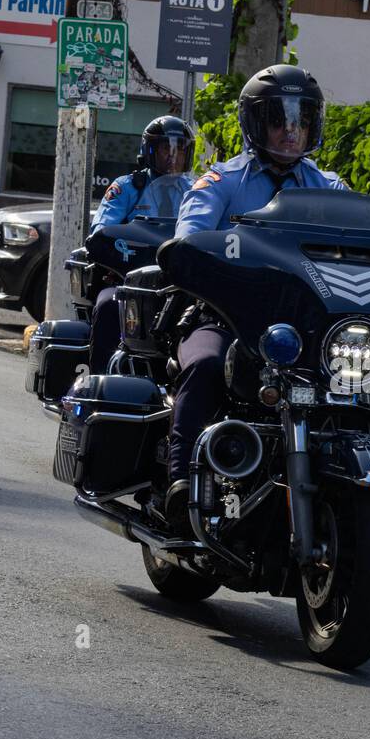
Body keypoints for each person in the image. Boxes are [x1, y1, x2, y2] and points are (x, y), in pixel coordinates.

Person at [167, 64, 344, 506]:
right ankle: (180, 479)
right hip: (228, 319)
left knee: (358, 384)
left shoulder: (330, 188)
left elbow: (366, 237)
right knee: (207, 365)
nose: (291, 131)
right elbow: (189, 238)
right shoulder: (221, 184)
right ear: (254, 123)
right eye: (278, 119)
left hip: (304, 329)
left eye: (301, 120)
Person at [86, 115, 195, 374]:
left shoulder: (195, 190)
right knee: (108, 305)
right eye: (164, 149)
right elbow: (101, 231)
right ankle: (98, 382)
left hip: (178, 282)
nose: (172, 157)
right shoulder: (126, 187)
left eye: (179, 150)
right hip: (128, 280)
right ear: (149, 152)